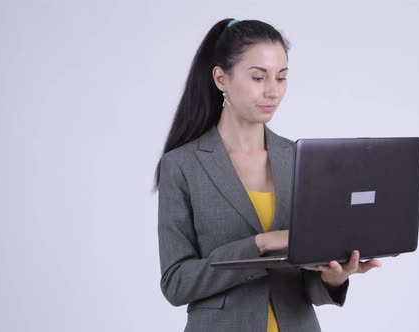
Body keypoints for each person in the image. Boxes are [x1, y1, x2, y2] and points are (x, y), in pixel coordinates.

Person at [154, 18, 382, 332]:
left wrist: (333, 276)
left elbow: (307, 284)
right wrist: (260, 244)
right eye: (259, 77)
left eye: (281, 77)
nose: (273, 91)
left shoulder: (299, 160)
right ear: (221, 78)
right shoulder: (182, 165)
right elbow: (176, 284)